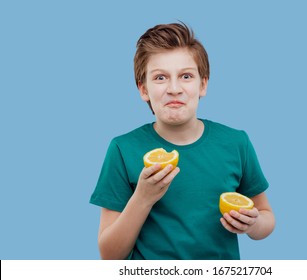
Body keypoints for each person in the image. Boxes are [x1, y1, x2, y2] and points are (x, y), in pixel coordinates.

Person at [89, 22, 275, 260]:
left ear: (203, 84)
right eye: (160, 78)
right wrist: (143, 198)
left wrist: (253, 223)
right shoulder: (122, 149)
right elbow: (109, 255)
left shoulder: (236, 143)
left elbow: (266, 217)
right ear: (143, 89)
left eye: (186, 76)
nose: (174, 88)